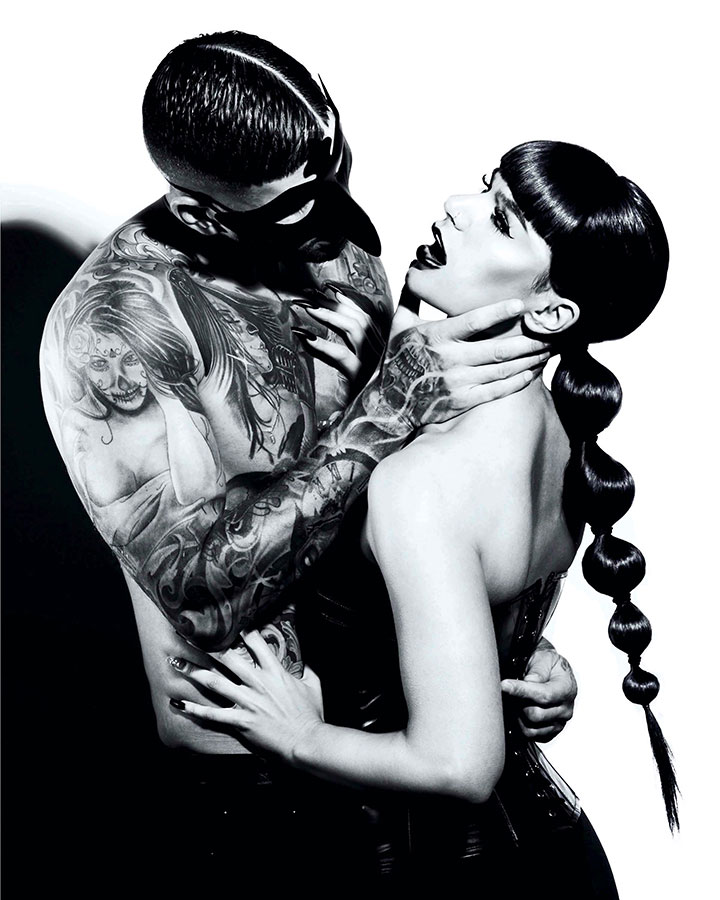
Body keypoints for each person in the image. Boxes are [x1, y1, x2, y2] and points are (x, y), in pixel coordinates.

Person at [39, 33, 577, 884]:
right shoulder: (116, 327)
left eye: (336, 162)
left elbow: (414, 517)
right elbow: (202, 594)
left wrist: (506, 654)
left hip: (392, 773)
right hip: (257, 802)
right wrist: (382, 406)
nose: (333, 215)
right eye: (298, 204)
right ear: (202, 213)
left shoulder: (339, 254)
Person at [167, 140, 678, 892]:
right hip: (550, 854)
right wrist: (528, 661)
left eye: (500, 220)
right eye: (483, 188)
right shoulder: (561, 428)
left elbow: (460, 765)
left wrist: (298, 736)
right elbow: (477, 595)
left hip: (438, 870)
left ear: (551, 309)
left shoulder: (425, 482)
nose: (456, 207)